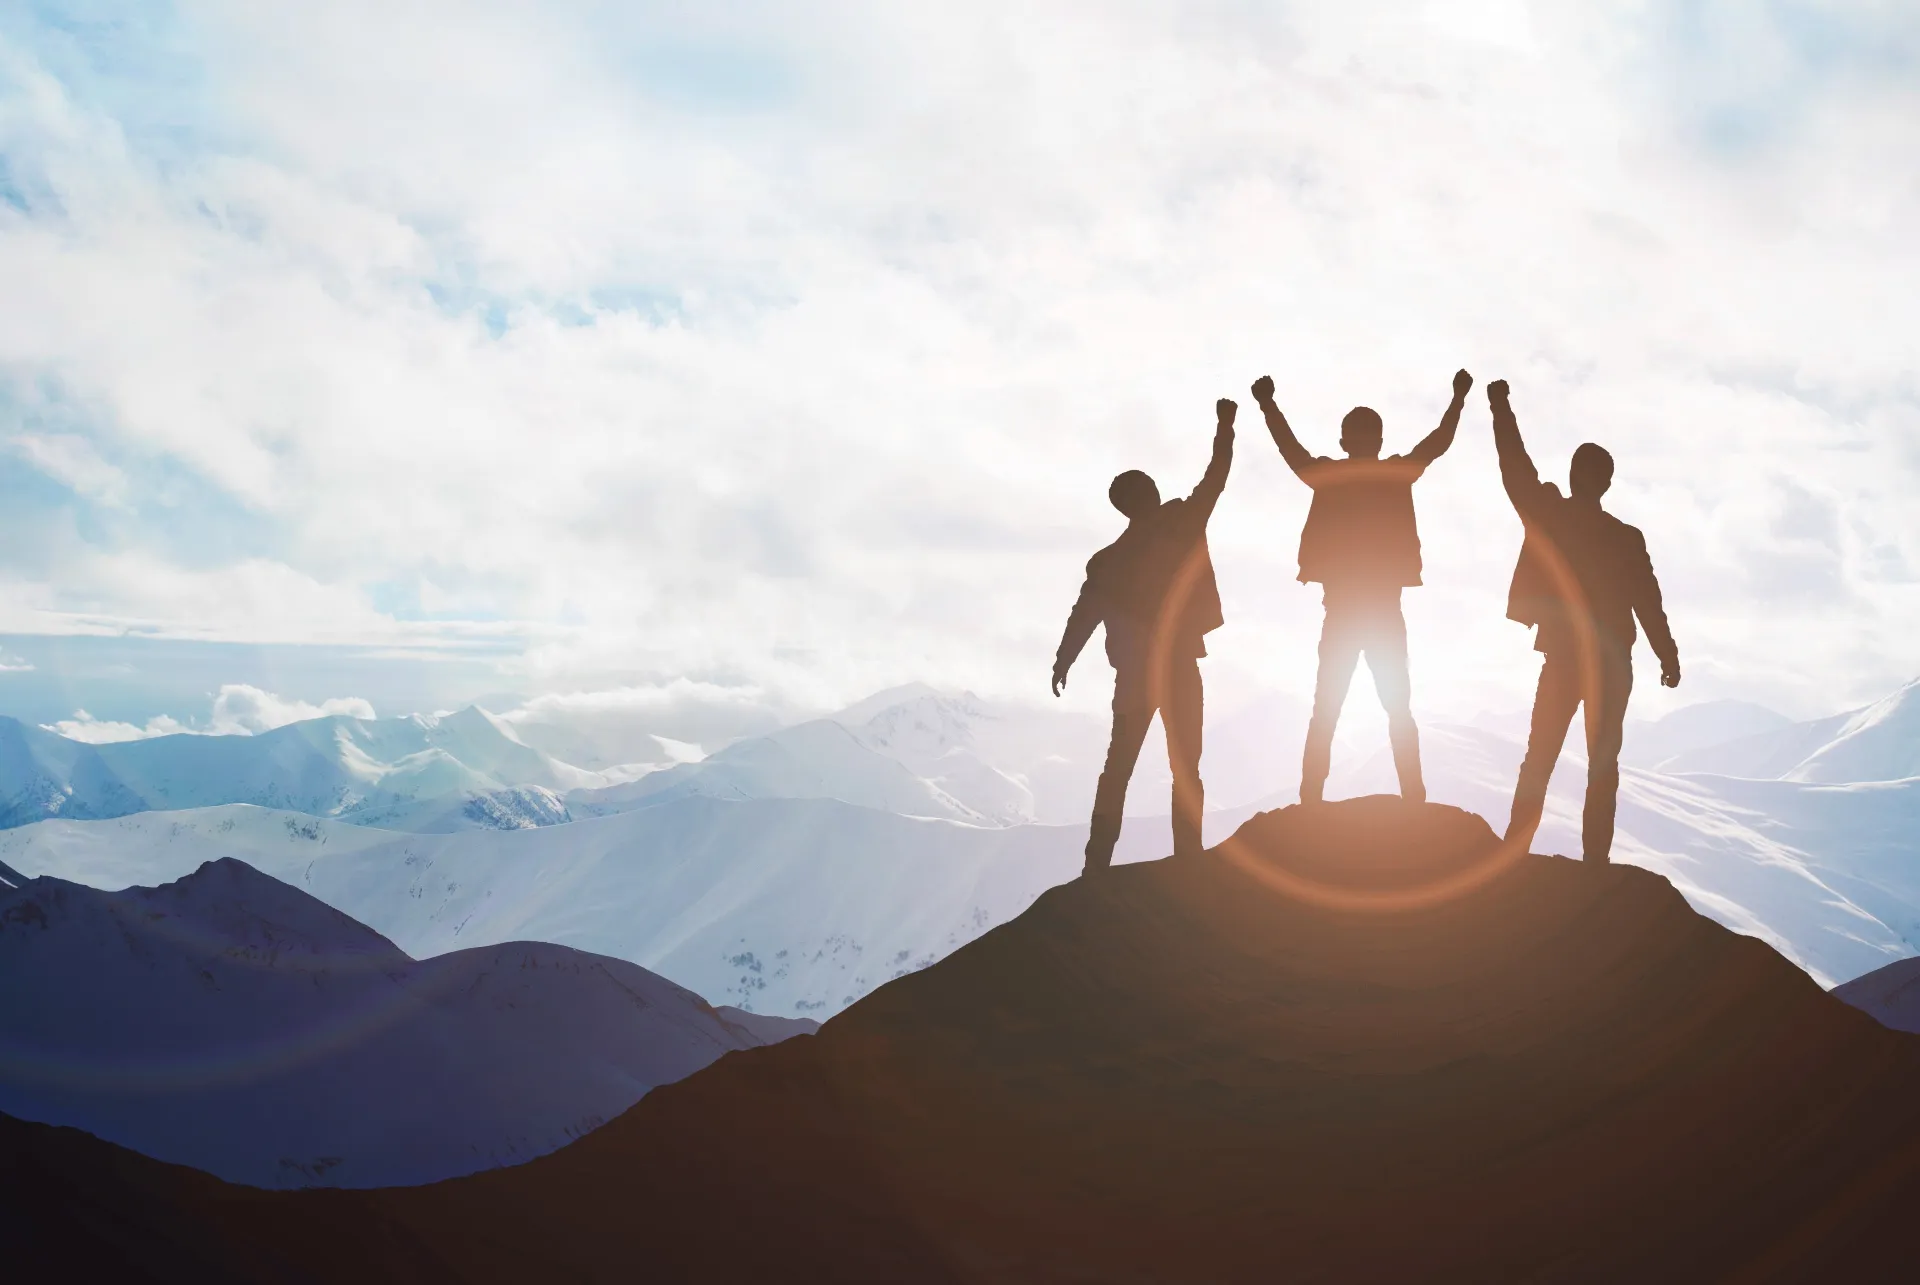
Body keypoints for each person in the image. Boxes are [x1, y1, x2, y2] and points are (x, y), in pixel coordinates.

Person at [1252, 369, 1472, 806]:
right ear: (1377, 438)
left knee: (1328, 707)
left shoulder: (1333, 476)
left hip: (1345, 611)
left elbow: (1291, 452)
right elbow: (1436, 444)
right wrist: (1457, 399)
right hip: (1382, 611)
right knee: (1394, 708)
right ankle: (1413, 798)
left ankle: (1311, 800)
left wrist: (1268, 404)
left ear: (1343, 440)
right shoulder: (1394, 474)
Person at [1488, 378, 1679, 864]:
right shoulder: (1625, 537)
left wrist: (1500, 408)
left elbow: (1516, 469)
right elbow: (1648, 603)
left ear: (1574, 476)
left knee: (1541, 757)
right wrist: (1667, 654)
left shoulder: (1551, 516)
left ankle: (1515, 852)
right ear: (1607, 483)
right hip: (1613, 664)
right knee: (1601, 764)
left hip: (1565, 660)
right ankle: (1595, 863)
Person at [1053, 398, 1235, 873]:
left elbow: (1083, 615)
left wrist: (1064, 659)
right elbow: (1217, 477)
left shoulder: (1107, 560)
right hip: (1176, 666)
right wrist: (1225, 426)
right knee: (1183, 766)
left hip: (1135, 674)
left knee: (1119, 769)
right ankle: (1188, 858)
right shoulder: (1182, 521)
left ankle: (1096, 865)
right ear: (1146, 497)